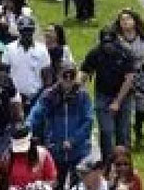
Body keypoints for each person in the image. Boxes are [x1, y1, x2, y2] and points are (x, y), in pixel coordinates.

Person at [28, 58, 95, 188]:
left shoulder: (83, 96)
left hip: (79, 152)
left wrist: (73, 140)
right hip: (56, 151)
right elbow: (35, 115)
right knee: (56, 185)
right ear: (58, 76)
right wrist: (26, 130)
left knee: (78, 186)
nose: (68, 79)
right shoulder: (48, 95)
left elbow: (88, 121)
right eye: (65, 75)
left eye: (72, 75)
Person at [81, 27, 138, 163]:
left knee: (123, 133)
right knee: (106, 131)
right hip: (103, 95)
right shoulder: (96, 53)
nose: (108, 47)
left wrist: (117, 102)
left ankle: (123, 163)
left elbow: (129, 79)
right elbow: (84, 72)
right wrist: (78, 88)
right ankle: (108, 162)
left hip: (124, 96)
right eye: (105, 43)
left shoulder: (126, 54)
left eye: (110, 43)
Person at [113, 9, 144, 148]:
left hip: (142, 76)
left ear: (134, 21)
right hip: (123, 77)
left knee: (141, 108)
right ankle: (125, 137)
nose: (125, 22)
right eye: (122, 20)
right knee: (125, 106)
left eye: (128, 19)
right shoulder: (116, 38)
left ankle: (138, 130)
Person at [2, 14, 52, 110]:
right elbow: (5, 74)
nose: (26, 34)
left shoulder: (42, 49)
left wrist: (40, 97)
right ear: (19, 31)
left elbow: (47, 78)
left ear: (33, 31)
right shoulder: (9, 48)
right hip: (15, 99)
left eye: (29, 30)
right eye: (23, 31)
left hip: (36, 99)